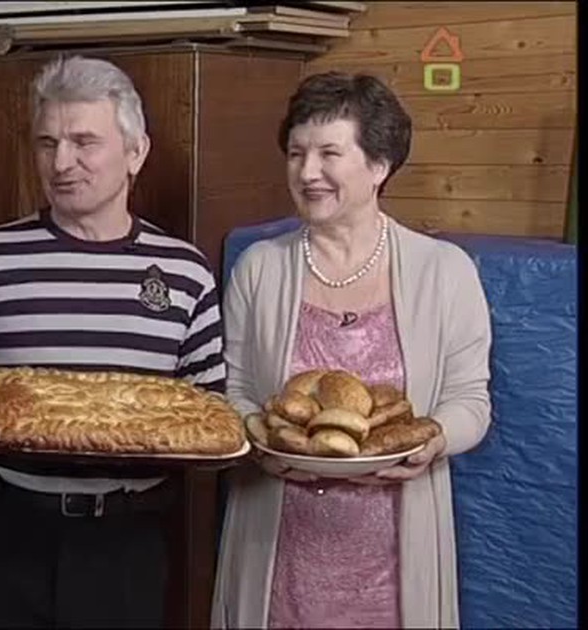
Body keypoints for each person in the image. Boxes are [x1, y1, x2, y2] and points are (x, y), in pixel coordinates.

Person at [0, 55, 225, 628]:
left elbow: (209, 403)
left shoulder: (184, 272)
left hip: (126, 542)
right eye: (47, 142)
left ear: (136, 152)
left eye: (84, 142)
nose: (61, 163)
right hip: (5, 534)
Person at [211, 72, 493, 628]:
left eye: (329, 154)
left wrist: (434, 440)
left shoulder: (445, 271)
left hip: (394, 560)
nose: (306, 172)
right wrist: (260, 442)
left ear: (379, 164)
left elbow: (471, 401)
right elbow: (234, 389)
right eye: (296, 153)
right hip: (278, 549)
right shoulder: (259, 267)